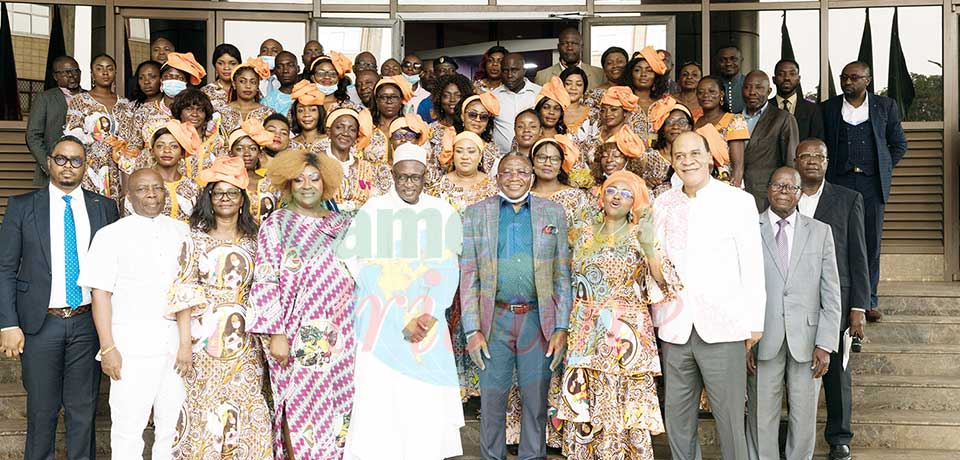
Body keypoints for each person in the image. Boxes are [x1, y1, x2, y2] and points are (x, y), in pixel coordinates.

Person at [341, 143, 464, 460]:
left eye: (416, 177)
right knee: (383, 398)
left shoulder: (442, 212)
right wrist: (396, 313)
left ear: (426, 177)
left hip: (426, 323)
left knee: (422, 400)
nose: (409, 184)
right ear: (392, 175)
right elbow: (358, 263)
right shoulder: (373, 210)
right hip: (381, 321)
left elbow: (449, 268)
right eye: (403, 177)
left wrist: (428, 315)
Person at [0, 136, 120, 460]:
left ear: (86, 165)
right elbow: (5, 267)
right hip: (41, 324)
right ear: (49, 162)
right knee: (42, 411)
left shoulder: (104, 208)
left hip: (87, 323)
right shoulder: (23, 206)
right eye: (61, 159)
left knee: (83, 411)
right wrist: (8, 324)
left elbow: (115, 270)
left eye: (76, 160)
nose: (68, 166)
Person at [652, 131, 765, 460]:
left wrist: (754, 322)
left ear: (709, 158)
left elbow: (752, 264)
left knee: (729, 420)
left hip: (723, 326)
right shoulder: (662, 204)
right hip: (675, 327)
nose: (687, 161)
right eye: (679, 156)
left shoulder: (737, 201)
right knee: (678, 420)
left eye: (694, 154)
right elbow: (655, 261)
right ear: (672, 161)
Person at [558, 170, 680, 460]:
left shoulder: (641, 235)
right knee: (587, 396)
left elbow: (666, 283)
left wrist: (649, 249)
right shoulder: (582, 233)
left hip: (627, 334)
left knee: (623, 397)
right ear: (602, 196)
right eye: (612, 190)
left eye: (626, 194)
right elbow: (564, 279)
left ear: (634, 202)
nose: (617, 197)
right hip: (586, 330)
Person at [460, 154, 572, 460]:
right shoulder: (477, 213)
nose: (514, 177)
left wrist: (561, 327)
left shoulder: (552, 212)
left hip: (537, 320)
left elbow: (562, 275)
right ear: (497, 177)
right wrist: (472, 330)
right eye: (506, 172)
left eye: (521, 172)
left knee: (535, 401)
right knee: (492, 402)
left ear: (531, 177)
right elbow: (468, 276)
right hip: (493, 320)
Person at [248, 148, 355, 459]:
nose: (307, 185)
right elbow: (266, 278)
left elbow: (360, 275)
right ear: (288, 184)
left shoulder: (341, 225)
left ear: (326, 183)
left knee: (337, 409)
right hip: (295, 334)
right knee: (297, 405)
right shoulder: (276, 224)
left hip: (341, 334)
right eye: (299, 180)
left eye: (314, 179)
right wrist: (276, 334)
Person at [78, 168, 188, 460]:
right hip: (130, 348)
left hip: (175, 348)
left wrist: (188, 344)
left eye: (157, 188)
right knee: (128, 429)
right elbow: (100, 294)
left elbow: (189, 292)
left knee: (173, 429)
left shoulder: (183, 232)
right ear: (129, 196)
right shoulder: (110, 235)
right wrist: (108, 347)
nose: (151, 194)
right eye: (142, 189)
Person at [166, 156, 272, 459]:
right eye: (218, 192)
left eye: (232, 192)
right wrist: (184, 345)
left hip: (246, 341)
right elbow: (184, 294)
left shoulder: (256, 241)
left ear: (242, 200)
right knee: (205, 404)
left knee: (245, 402)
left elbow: (266, 289)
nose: (225, 198)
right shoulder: (194, 240)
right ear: (209, 199)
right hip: (204, 341)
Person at [747, 166, 842, 460]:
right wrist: (744, 340)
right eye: (778, 185)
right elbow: (740, 287)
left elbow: (831, 291)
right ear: (768, 189)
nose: (784, 192)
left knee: (804, 415)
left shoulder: (820, 232)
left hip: (808, 339)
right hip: (761, 337)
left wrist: (825, 344)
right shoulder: (748, 229)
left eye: (791, 187)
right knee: (761, 414)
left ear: (800, 194)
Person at [795, 139, 870, 460]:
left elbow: (858, 255)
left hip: (835, 300)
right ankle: (794, 436)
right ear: (795, 161)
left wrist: (858, 307)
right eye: (806, 156)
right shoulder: (783, 196)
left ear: (827, 162)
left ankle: (839, 437)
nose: (813, 161)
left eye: (819, 156)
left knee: (837, 374)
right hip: (794, 301)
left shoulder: (848, 199)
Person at [821, 60, 907, 322]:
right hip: (839, 182)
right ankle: (836, 298)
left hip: (871, 184)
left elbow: (899, 145)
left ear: (867, 80)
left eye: (854, 77)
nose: (847, 82)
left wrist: (881, 167)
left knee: (870, 242)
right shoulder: (829, 108)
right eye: (844, 77)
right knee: (836, 240)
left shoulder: (885, 106)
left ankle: (868, 300)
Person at [428, 130, 499, 401]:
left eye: (471, 151)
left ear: (481, 156)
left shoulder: (493, 187)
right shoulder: (439, 187)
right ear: (452, 155)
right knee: (451, 320)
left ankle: (482, 387)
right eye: (460, 151)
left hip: (483, 265)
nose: (465, 156)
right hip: (448, 264)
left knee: (481, 320)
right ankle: (454, 386)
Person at [64, 54, 126, 200]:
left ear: (115, 73)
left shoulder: (125, 104)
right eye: (99, 68)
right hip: (90, 168)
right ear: (92, 74)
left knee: (116, 209)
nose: (105, 72)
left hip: (119, 169)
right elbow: (72, 136)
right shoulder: (80, 101)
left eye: (109, 68)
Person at [741, 70, 799, 210]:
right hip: (735, 194)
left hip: (765, 197)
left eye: (759, 88)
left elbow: (791, 163)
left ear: (769, 91)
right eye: (747, 87)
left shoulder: (783, 119)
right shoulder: (733, 118)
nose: (752, 92)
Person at [322, 107, 392, 217]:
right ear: (329, 132)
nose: (345, 133)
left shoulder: (366, 168)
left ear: (357, 136)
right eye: (339, 127)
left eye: (352, 130)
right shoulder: (315, 163)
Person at [27, 56, 81, 185]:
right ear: (55, 76)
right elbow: (33, 136)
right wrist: (49, 165)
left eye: (75, 71)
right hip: (53, 172)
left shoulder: (90, 97)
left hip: (85, 171)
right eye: (65, 72)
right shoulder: (45, 98)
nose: (71, 75)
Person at [529, 136, 596, 230]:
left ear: (561, 165)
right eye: (542, 158)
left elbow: (586, 232)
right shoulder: (523, 197)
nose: (547, 163)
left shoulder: (576, 197)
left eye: (554, 159)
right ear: (532, 162)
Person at [693, 76, 749, 186]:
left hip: (725, 183)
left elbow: (738, 166)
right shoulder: (693, 122)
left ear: (721, 94)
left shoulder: (734, 120)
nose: (706, 95)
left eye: (712, 91)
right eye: (701, 92)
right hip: (698, 182)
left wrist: (734, 189)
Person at [226, 122, 280, 225]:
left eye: (252, 149)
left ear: (259, 154)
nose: (247, 154)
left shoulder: (271, 184)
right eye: (240, 149)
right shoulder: (224, 182)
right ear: (231, 154)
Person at [427, 73, 475, 182]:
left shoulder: (473, 128)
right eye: (446, 95)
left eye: (458, 95)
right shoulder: (430, 130)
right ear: (439, 99)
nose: (452, 99)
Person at [169, 88, 226, 179]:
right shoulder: (171, 139)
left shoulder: (216, 141)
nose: (195, 114)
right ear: (179, 112)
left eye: (200, 110)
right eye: (188, 109)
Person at [491, 53, 541, 154]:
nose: (509, 75)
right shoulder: (493, 96)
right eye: (505, 70)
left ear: (524, 71)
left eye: (514, 70)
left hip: (533, 157)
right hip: (501, 158)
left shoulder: (539, 93)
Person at [623, 47, 673, 138]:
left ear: (656, 76)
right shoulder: (621, 102)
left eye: (649, 70)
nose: (643, 74)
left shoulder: (665, 103)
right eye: (637, 70)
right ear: (630, 74)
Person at [535, 27, 605, 91]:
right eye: (565, 43)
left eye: (574, 43)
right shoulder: (542, 76)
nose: (569, 48)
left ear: (581, 47)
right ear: (558, 47)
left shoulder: (599, 74)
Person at [647, 103, 694, 196]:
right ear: (663, 128)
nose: (675, 126)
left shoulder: (696, 158)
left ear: (690, 127)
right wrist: (645, 183)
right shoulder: (647, 158)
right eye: (669, 122)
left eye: (682, 122)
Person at [773, 59, 824, 141]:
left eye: (792, 74)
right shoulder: (765, 107)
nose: (786, 78)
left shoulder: (812, 110)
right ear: (774, 79)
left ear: (799, 79)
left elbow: (817, 141)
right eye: (781, 74)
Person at [221, 58, 276, 134]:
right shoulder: (222, 112)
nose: (248, 86)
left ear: (258, 86)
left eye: (253, 82)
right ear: (234, 84)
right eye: (242, 81)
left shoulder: (268, 113)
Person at [368, 75, 415, 164]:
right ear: (377, 101)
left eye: (394, 97)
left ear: (401, 100)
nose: (389, 101)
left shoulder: (412, 127)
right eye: (384, 97)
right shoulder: (367, 128)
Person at [456, 92, 501, 174]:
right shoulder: (451, 143)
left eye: (483, 117)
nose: (478, 119)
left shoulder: (491, 149)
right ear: (462, 116)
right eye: (472, 115)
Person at [583, 46, 629, 114]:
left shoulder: (636, 90)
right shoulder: (594, 95)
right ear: (604, 69)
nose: (615, 66)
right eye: (609, 63)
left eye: (619, 61)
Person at [289, 79, 328, 153]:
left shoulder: (330, 142)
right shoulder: (289, 144)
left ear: (320, 113)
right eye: (300, 110)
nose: (306, 114)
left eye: (313, 110)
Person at [417, 56, 458, 122]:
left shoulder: (464, 96)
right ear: (435, 74)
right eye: (442, 70)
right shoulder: (426, 104)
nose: (447, 73)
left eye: (452, 70)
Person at [260, 51, 301, 117]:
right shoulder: (267, 102)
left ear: (298, 69)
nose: (285, 71)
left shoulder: (309, 93)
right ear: (275, 71)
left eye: (290, 65)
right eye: (279, 67)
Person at [203, 43, 241, 110]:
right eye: (220, 63)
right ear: (214, 65)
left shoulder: (248, 89)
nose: (226, 68)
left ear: (239, 65)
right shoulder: (206, 92)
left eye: (232, 63)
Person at [560, 67, 590, 141]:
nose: (573, 88)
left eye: (579, 84)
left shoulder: (591, 114)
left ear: (584, 88)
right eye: (568, 84)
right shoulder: (553, 112)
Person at [716, 45, 745, 113]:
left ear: (741, 60)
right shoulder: (712, 84)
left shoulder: (748, 83)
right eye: (723, 60)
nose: (728, 63)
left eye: (733, 59)